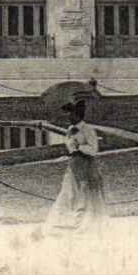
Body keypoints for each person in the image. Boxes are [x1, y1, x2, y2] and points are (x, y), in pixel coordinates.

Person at [43, 98, 108, 233]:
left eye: (71, 115)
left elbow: (93, 148)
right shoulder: (70, 130)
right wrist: (71, 144)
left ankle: (85, 223)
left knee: (85, 193)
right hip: (74, 163)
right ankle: (64, 221)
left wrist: (79, 147)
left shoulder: (88, 129)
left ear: (77, 115)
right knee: (68, 192)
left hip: (86, 164)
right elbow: (70, 147)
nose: (68, 119)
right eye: (67, 116)